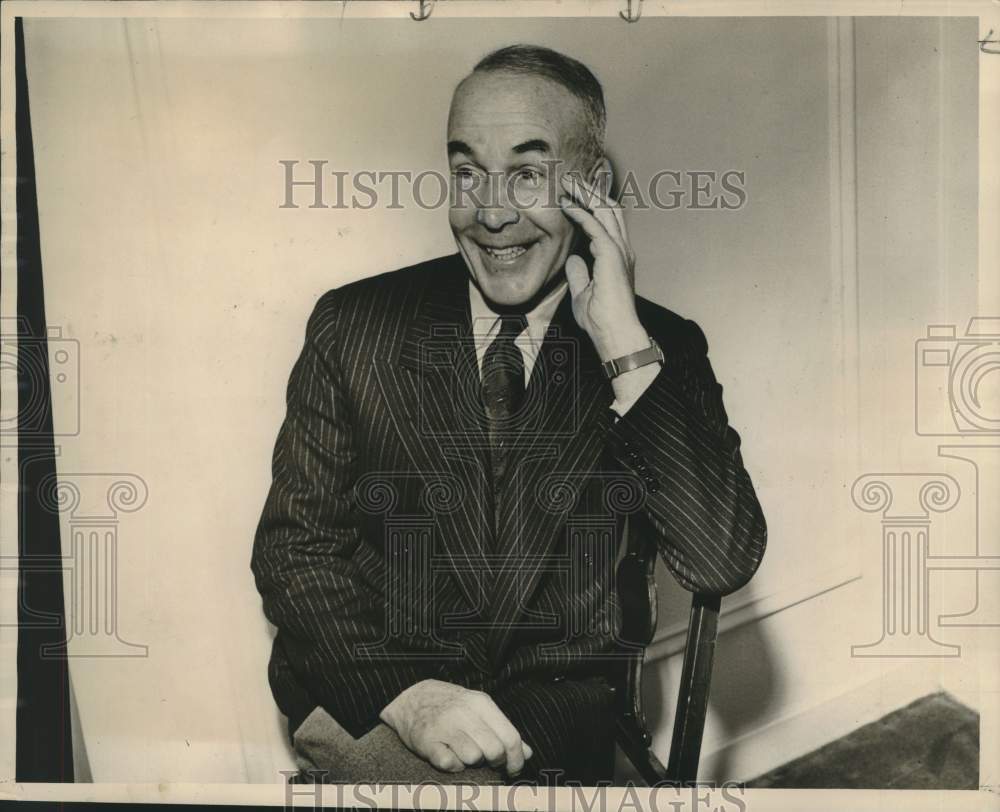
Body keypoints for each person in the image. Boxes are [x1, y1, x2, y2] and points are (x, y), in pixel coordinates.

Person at [251, 44, 766, 786]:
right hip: (374, 685)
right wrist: (408, 696)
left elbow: (720, 559)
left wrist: (621, 343)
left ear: (590, 190)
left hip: (549, 712)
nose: (491, 213)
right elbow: (293, 549)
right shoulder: (354, 324)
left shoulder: (660, 347)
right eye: (468, 172)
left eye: (528, 173)